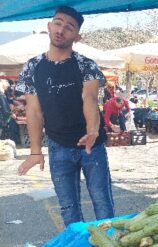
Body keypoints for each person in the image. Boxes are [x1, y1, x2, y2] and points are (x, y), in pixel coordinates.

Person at [16, 6, 115, 226]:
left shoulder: (85, 65)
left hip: (92, 147)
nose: (62, 30)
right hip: (58, 146)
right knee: (68, 208)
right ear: (49, 27)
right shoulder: (33, 67)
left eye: (69, 27)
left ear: (77, 37)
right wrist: (35, 151)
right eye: (58, 23)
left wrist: (92, 130)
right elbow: (34, 110)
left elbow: (89, 98)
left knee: (102, 202)